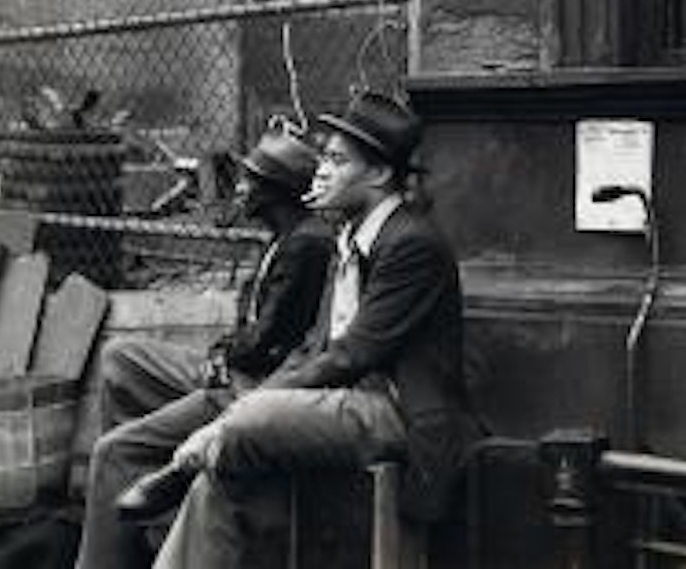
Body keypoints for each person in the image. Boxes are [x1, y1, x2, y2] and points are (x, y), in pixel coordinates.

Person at [77, 92, 481, 569]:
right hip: (334, 399)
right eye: (323, 159)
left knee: (249, 420)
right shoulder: (349, 236)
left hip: (393, 410)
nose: (321, 172)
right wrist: (258, 390)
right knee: (167, 460)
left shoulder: (412, 244)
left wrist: (250, 403)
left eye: (336, 161)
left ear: (377, 174)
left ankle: (196, 455)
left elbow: (351, 355)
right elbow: (315, 346)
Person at [74, 125, 332, 569]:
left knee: (113, 451)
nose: (241, 189)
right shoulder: (283, 236)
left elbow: (267, 341)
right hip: (237, 370)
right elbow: (254, 328)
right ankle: (139, 518)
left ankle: (119, 530)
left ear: (275, 191)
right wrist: (224, 351)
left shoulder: (305, 246)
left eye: (251, 181)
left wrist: (222, 358)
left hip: (248, 386)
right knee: (119, 358)